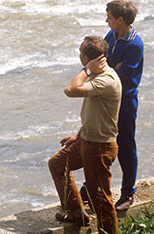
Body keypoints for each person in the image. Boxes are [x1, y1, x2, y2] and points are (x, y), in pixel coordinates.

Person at [48, 35, 121, 234]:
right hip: (86, 141)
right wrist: (77, 136)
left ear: (87, 58)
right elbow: (97, 115)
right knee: (57, 165)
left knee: (101, 200)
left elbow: (70, 90)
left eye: (81, 53)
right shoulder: (98, 76)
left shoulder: (106, 80)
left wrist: (86, 69)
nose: (79, 56)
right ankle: (75, 212)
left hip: (99, 147)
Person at [105, 0, 143, 211]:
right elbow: (100, 57)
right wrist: (112, 67)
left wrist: (108, 68)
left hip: (125, 101)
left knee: (126, 146)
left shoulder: (135, 44)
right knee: (100, 142)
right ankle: (92, 188)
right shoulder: (111, 35)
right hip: (108, 99)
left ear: (120, 20)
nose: (106, 20)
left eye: (109, 18)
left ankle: (128, 193)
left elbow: (123, 74)